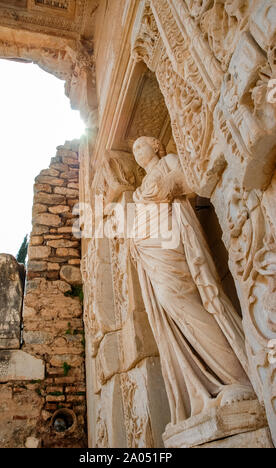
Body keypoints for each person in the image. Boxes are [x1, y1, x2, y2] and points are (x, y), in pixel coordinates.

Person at [131, 136, 254, 425]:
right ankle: (206, 387)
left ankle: (238, 378)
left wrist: (167, 187)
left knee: (185, 300)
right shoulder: (139, 189)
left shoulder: (168, 162)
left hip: (172, 245)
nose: (137, 152)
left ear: (156, 146)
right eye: (134, 150)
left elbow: (190, 182)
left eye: (141, 146)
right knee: (172, 309)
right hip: (151, 253)